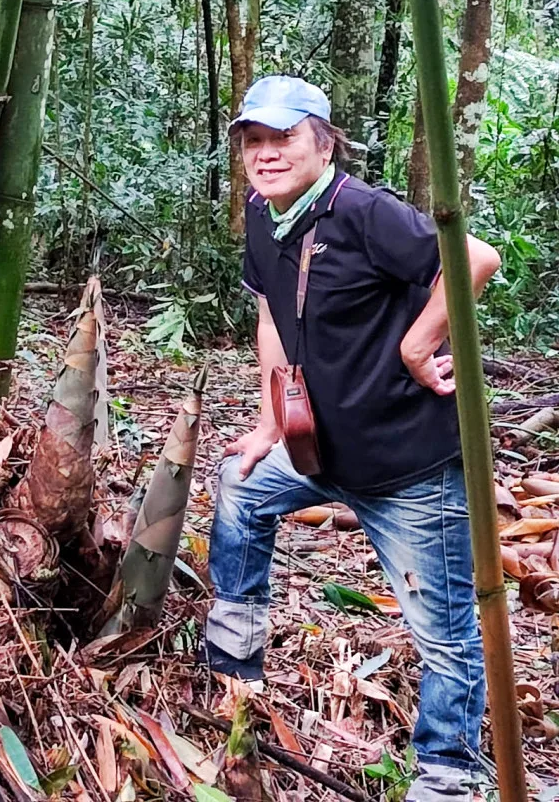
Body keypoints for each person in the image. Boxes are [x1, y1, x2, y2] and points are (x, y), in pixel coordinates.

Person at [205, 75, 501, 802]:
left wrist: (417, 344)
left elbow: (474, 259)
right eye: (253, 141)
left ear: (323, 143)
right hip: (319, 451)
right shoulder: (263, 215)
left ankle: (448, 775)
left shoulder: (363, 211)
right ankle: (235, 672)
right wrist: (271, 422)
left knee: (444, 633)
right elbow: (271, 318)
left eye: (283, 138)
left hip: (409, 468)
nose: (266, 154)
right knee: (240, 485)